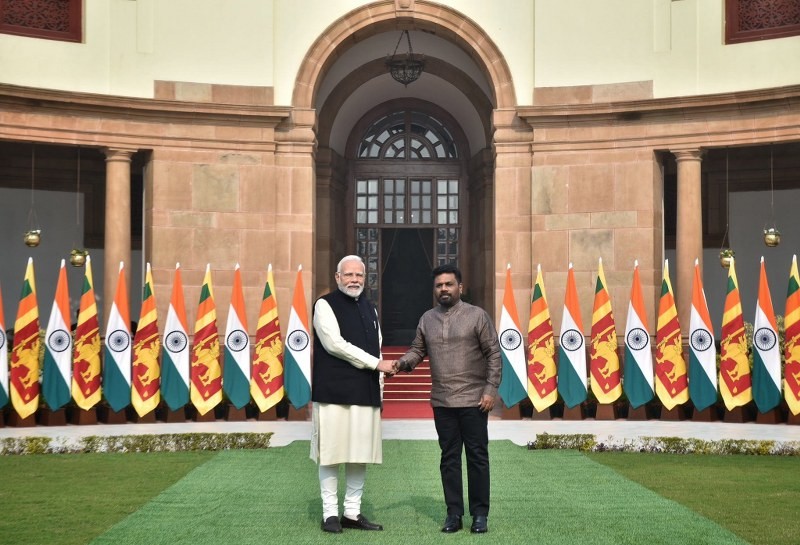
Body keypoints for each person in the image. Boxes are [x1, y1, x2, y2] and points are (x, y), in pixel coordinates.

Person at [393, 263, 501, 534]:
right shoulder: (427, 319)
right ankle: (453, 513)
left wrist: (490, 390)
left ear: (460, 287)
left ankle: (479, 515)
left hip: (475, 400)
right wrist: (401, 364)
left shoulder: (477, 316)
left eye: (449, 284)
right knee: (449, 458)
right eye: (439, 285)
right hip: (442, 401)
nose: (443, 289)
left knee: (477, 457)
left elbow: (494, 355)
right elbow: (418, 350)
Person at [310, 255, 396, 533]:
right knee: (331, 454)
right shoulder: (324, 305)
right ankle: (329, 514)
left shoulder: (370, 308)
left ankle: (352, 512)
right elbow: (334, 344)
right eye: (348, 275)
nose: (354, 280)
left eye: (359, 275)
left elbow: (379, 349)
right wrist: (375, 364)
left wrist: (380, 389)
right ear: (337, 278)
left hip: (366, 393)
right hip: (333, 392)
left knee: (359, 455)